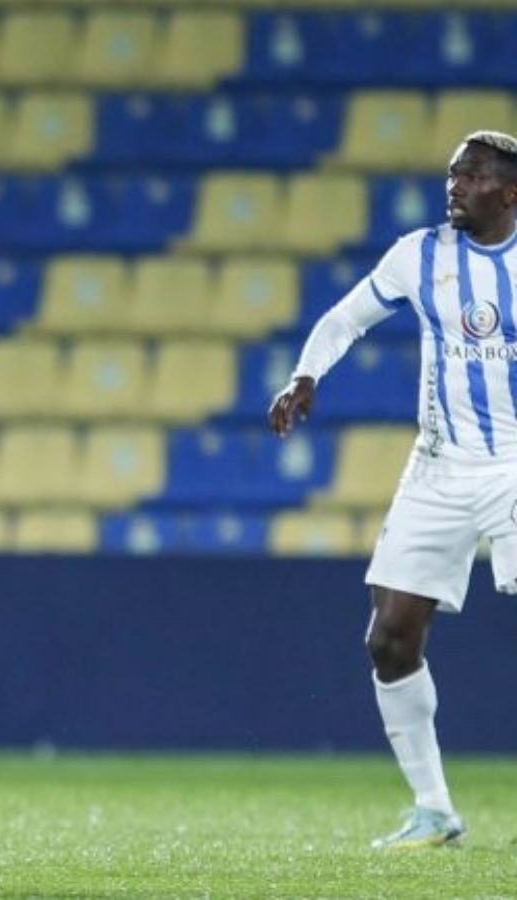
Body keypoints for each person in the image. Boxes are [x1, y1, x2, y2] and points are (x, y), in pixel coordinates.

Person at [269, 130, 517, 851]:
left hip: (514, 462)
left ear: (509, 191)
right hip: (438, 465)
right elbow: (346, 317)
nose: (455, 186)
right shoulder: (422, 255)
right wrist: (306, 374)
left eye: (471, 177)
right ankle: (434, 809)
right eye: (451, 174)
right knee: (389, 638)